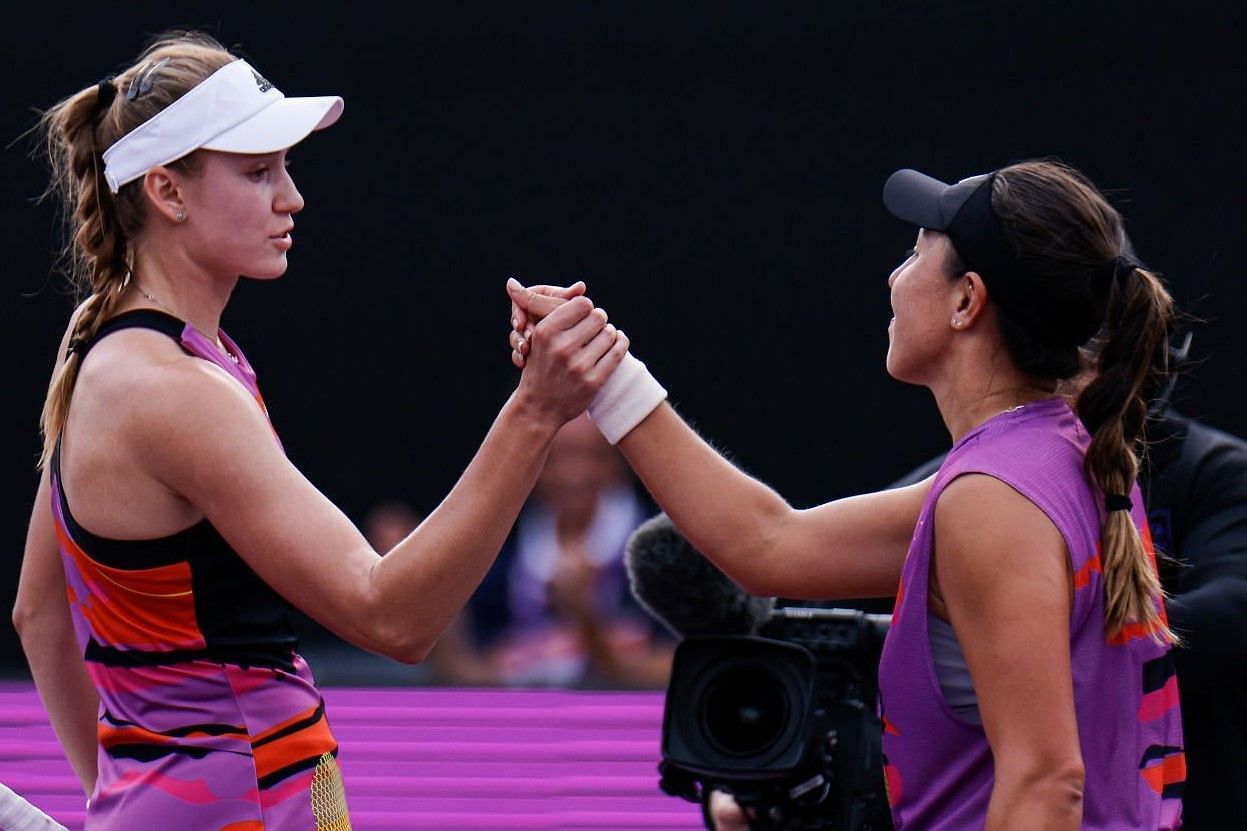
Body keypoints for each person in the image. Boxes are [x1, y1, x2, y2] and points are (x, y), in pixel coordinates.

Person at [12, 31, 626, 829]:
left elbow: (40, 613)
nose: (291, 197)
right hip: (260, 798)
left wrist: (124, 797)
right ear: (167, 191)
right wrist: (536, 411)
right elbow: (392, 616)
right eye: (259, 170)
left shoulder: (101, 342)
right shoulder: (177, 393)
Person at [508, 160, 1185, 830]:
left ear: (965, 300)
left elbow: (1046, 782)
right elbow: (771, 544)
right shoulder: (1048, 459)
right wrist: (603, 370)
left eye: (915, 253)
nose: (893, 277)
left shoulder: (995, 497)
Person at [430, 413, 674, 688]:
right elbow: (467, 672)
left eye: (590, 456)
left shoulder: (666, 554)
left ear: (618, 462)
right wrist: (425, 580)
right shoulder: (500, 558)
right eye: (554, 459)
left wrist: (586, 619)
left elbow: (674, 672)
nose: (573, 475)